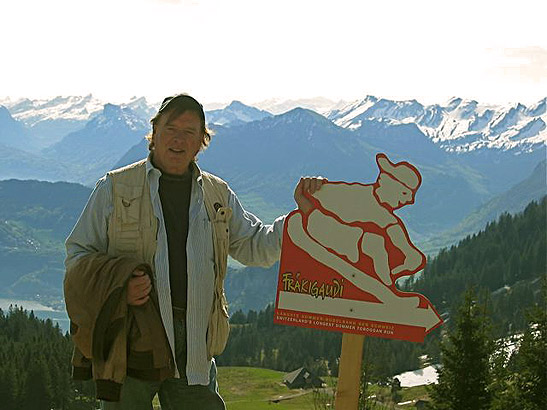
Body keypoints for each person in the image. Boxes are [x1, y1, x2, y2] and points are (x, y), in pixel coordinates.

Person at [64, 93, 324, 410]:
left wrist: (302, 217)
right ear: (153, 132)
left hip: (195, 342)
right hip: (132, 339)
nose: (178, 139)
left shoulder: (218, 194)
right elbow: (78, 256)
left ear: (202, 141)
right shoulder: (115, 189)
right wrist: (119, 287)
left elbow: (257, 246)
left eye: (190, 132)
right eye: (171, 128)